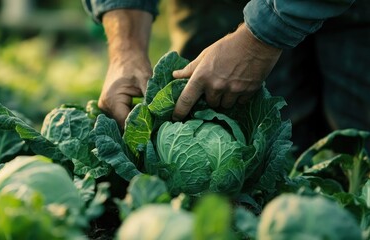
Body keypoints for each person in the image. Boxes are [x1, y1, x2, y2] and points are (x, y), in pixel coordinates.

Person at [83, 0, 370, 154]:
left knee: (359, 155)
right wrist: (127, 47)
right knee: (269, 149)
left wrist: (259, 40)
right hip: (212, 7)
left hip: (357, 12)